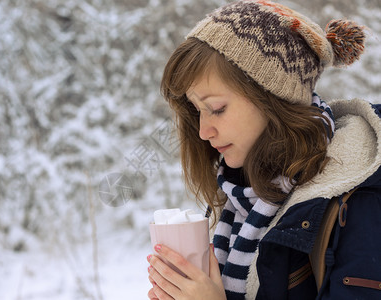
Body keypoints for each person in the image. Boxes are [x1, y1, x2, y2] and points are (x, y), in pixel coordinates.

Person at [146, 0, 381, 299]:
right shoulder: (239, 198)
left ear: (272, 100)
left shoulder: (359, 202)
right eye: (197, 112)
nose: (204, 132)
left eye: (216, 108)